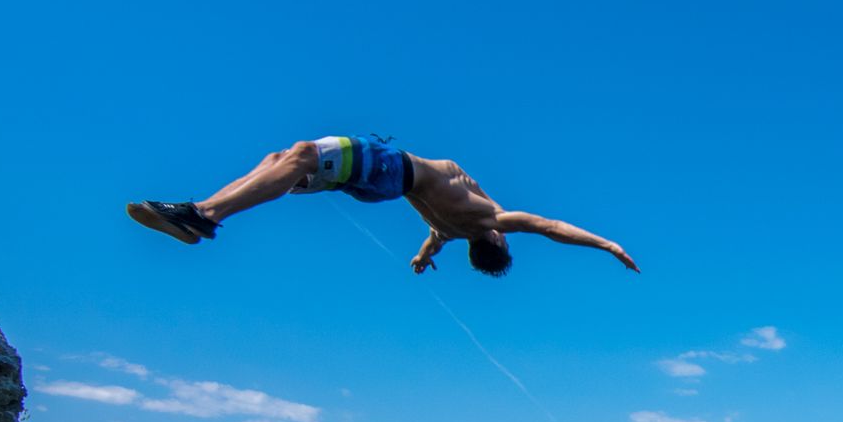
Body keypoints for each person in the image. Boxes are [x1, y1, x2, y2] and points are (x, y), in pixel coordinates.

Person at [126, 134, 639, 277]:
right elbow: (431, 242)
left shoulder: (488, 219)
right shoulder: (453, 233)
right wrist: (421, 257)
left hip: (392, 170)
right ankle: (200, 214)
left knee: (301, 155)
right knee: (281, 159)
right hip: (378, 188)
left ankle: (203, 216)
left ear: (498, 240)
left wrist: (607, 243)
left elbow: (549, 226)